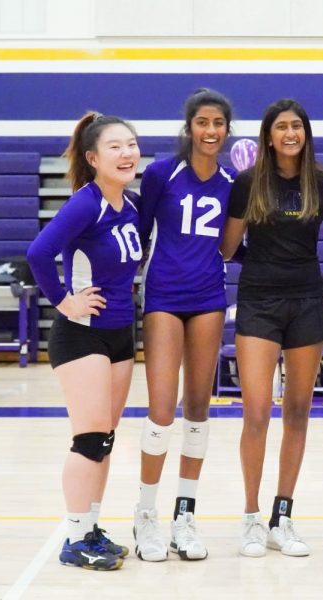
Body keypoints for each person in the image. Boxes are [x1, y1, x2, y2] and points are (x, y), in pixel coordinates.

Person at [221, 98, 323, 558]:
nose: (290, 133)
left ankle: (283, 516)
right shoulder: (247, 183)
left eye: (297, 125)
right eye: (282, 127)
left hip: (308, 303)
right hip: (258, 301)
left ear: (306, 133)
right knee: (256, 411)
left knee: (298, 412)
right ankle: (252, 517)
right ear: (268, 136)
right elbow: (228, 246)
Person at [26, 112, 144, 571]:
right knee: (89, 438)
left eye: (131, 144)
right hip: (81, 336)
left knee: (106, 439)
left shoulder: (131, 206)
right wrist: (63, 301)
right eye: (115, 146)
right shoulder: (86, 202)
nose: (126, 153)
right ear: (93, 158)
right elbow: (38, 253)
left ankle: (90, 527)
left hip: (119, 334)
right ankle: (74, 538)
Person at [132, 88, 235, 562]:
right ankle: (145, 515)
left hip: (210, 297)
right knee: (161, 410)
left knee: (198, 406)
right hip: (164, 297)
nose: (210, 131)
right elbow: (139, 232)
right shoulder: (160, 174)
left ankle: (184, 516)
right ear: (189, 126)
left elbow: (236, 245)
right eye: (203, 122)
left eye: (218, 123)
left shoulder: (233, 182)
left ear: (226, 129)